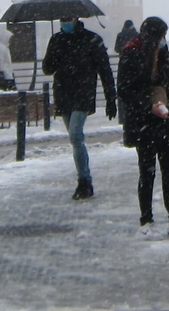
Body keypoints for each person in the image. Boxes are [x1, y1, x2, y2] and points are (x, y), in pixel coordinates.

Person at [117, 16, 169, 237]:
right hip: (144, 121)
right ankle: (146, 219)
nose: (164, 40)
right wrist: (148, 107)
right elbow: (126, 90)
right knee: (147, 172)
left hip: (164, 120)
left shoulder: (162, 54)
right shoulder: (132, 53)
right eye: (162, 36)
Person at [42, 16, 117, 200]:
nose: (64, 22)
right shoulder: (56, 40)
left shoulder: (91, 39)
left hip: (83, 93)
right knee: (74, 137)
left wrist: (110, 98)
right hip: (63, 93)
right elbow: (47, 68)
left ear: (76, 19)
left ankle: (84, 180)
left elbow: (104, 69)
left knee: (76, 135)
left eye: (67, 19)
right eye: (61, 19)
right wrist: (55, 55)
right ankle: (84, 179)